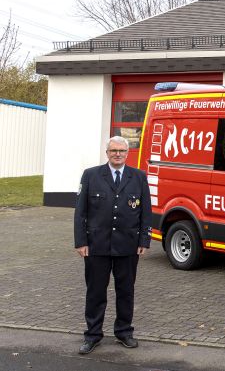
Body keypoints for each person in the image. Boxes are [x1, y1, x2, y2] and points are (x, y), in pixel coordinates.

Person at [74, 136, 151, 355]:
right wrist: (81, 242)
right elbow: (80, 212)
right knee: (95, 292)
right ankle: (93, 335)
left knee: (125, 291)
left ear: (128, 154)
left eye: (122, 151)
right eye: (113, 151)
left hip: (127, 246)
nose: (117, 154)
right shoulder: (91, 175)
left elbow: (146, 211)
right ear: (107, 153)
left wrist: (144, 240)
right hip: (96, 246)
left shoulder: (138, 177)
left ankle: (124, 331)